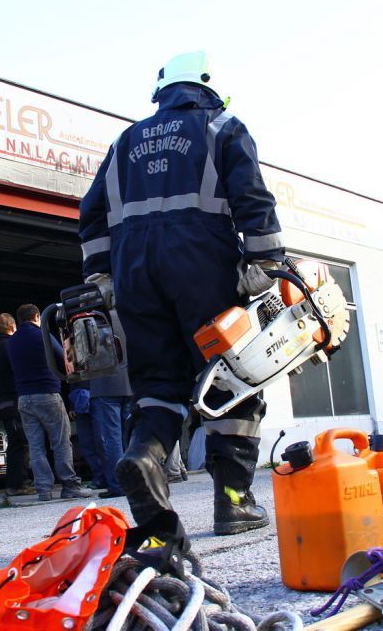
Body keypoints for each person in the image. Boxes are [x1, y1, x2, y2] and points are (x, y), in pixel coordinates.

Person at [79, 51, 285, 535]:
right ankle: (234, 502)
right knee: (231, 377)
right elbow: (252, 197)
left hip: (134, 275)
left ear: (162, 92)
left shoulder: (125, 141)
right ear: (209, 88)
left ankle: (144, 459)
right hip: (202, 266)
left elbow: (92, 212)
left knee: (157, 384)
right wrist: (265, 262)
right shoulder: (223, 127)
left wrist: (101, 275)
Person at [6, 303, 90, 502]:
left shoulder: (11, 341)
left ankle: (43, 490)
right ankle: (70, 486)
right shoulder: (41, 335)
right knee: (60, 442)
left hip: (24, 398)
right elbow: (65, 358)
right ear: (37, 316)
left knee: (36, 446)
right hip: (47, 393)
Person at [0, 312, 34, 496]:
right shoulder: (10, 346)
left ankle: (17, 483)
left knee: (15, 441)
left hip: (1, 402)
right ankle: (17, 485)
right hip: (13, 400)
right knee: (20, 442)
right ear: (13, 327)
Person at [89, 307, 132, 499]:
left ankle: (118, 484)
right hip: (129, 382)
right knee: (130, 435)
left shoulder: (91, 320)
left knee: (111, 438)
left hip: (104, 384)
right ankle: (136, 480)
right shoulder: (128, 313)